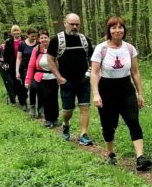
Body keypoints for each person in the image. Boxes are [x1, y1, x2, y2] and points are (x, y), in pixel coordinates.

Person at [90, 16, 152, 171]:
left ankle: (140, 158)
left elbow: (135, 72)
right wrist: (96, 94)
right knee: (109, 125)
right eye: (114, 28)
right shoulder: (101, 49)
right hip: (106, 89)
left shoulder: (130, 48)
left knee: (133, 120)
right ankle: (110, 153)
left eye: (120, 27)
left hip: (126, 89)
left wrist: (140, 93)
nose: (117, 30)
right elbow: (95, 73)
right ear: (109, 31)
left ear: (124, 30)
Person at [47, 13, 95, 145]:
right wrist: (59, 77)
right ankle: (66, 124)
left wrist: (91, 74)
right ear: (65, 23)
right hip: (66, 81)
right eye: (72, 24)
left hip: (83, 80)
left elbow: (92, 58)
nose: (74, 27)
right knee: (68, 110)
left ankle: (83, 134)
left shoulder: (84, 39)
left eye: (77, 24)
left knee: (85, 107)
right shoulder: (57, 40)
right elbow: (50, 59)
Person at [25, 29, 59, 128]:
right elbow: (31, 66)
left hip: (54, 77)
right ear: (39, 39)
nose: (44, 40)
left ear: (49, 38)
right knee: (46, 98)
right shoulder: (36, 50)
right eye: (41, 38)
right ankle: (48, 119)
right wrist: (27, 80)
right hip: (41, 77)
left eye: (45, 37)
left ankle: (55, 118)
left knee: (54, 98)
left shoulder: (54, 48)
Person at [16, 28, 40, 118]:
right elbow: (18, 58)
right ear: (27, 35)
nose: (34, 37)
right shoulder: (22, 44)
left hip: (37, 69)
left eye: (35, 36)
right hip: (25, 69)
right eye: (32, 36)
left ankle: (40, 108)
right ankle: (27, 104)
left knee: (37, 88)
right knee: (27, 88)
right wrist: (17, 71)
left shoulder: (38, 44)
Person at [3, 25, 26, 108]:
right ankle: (22, 102)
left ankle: (24, 98)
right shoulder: (8, 42)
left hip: (23, 64)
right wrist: (6, 64)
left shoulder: (24, 40)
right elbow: (5, 55)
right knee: (17, 83)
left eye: (17, 31)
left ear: (20, 31)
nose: (16, 33)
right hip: (12, 66)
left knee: (24, 83)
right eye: (14, 31)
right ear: (12, 33)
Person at [0, 32, 14, 104]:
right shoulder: (1, 47)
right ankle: (12, 99)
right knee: (8, 83)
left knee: (14, 83)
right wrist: (0, 59)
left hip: (13, 67)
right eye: (7, 39)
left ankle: (16, 96)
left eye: (10, 39)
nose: (9, 40)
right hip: (3, 67)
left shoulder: (14, 46)